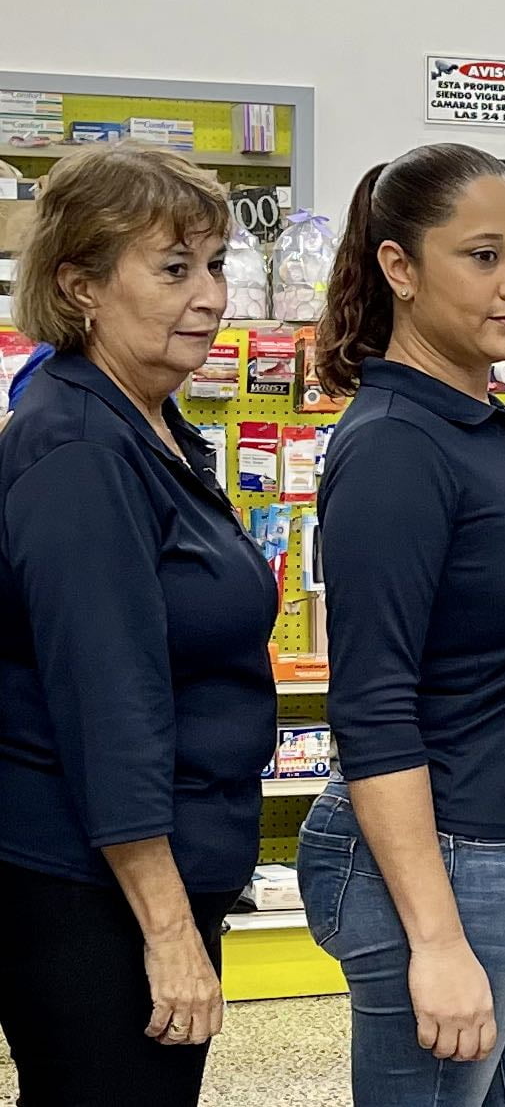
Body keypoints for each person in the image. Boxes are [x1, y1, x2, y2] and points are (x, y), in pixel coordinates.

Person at [295, 144, 505, 1106]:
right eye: (481, 256)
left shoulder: (475, 424)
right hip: (439, 861)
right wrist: (435, 938)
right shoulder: (396, 447)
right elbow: (373, 706)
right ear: (400, 268)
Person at [0, 145, 277, 1106]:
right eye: (172, 269)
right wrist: (167, 929)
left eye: (214, 265)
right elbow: (106, 703)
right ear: (79, 285)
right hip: (91, 889)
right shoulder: (79, 447)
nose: (210, 296)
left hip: (151, 871)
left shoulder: (148, 423)